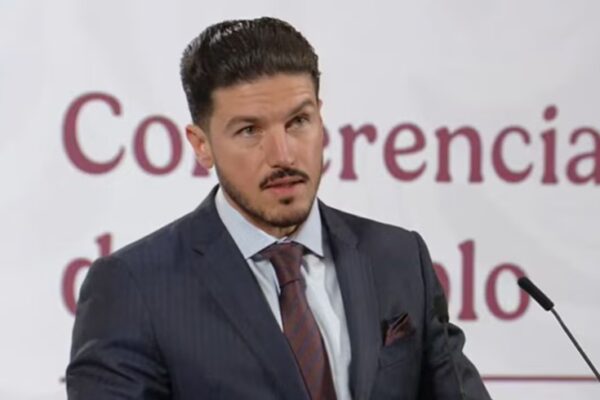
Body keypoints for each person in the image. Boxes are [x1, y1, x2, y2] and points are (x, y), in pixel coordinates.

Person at [66, 17, 491, 400]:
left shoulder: (398, 258)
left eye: (298, 122)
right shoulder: (135, 287)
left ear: (320, 118)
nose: (283, 154)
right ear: (201, 145)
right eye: (250, 130)